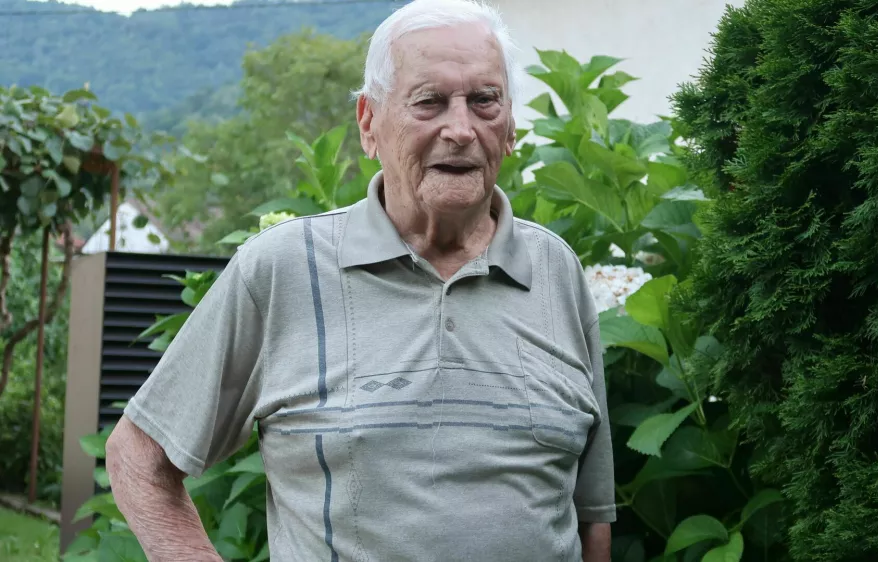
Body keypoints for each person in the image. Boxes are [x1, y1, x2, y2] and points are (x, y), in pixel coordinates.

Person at [105, 0, 616, 560]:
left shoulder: (557, 272)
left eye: (485, 100)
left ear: (511, 124)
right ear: (369, 124)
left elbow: (591, 518)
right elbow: (139, 457)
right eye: (429, 102)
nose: (462, 129)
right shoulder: (282, 269)